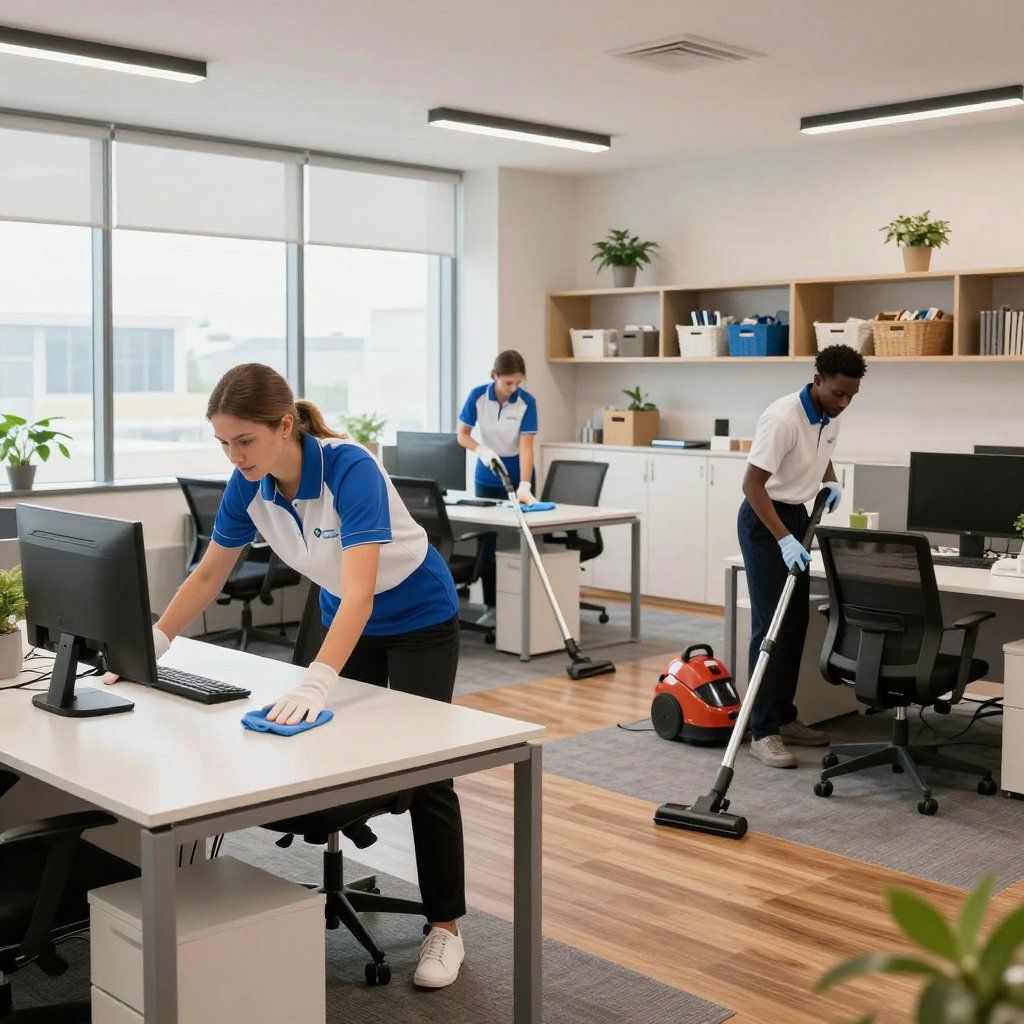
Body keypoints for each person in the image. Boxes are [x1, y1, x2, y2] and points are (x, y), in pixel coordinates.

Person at [106, 363, 468, 989]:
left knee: (426, 767)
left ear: (283, 425)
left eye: (244, 441)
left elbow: (363, 593)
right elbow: (208, 575)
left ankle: (444, 929)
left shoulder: (349, 467)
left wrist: (314, 681)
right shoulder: (248, 484)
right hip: (343, 614)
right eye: (223, 443)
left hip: (415, 616)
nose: (234, 455)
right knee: (322, 744)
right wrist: (153, 646)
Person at [738, 343, 867, 768]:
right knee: (769, 626)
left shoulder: (831, 414)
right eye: (838, 394)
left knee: (794, 622)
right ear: (817, 381)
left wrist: (829, 481)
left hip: (798, 517)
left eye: (851, 396)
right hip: (765, 521)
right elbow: (752, 487)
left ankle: (784, 716)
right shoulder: (782, 418)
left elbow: (823, 453)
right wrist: (782, 540)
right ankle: (761, 731)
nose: (844, 403)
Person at [456, 350, 539, 614]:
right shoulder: (478, 397)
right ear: (494, 376)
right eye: (508, 383)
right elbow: (463, 435)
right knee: (489, 540)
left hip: (517, 475)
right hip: (487, 475)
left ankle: (521, 605)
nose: (513, 388)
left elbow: (526, 446)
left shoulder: (527, 402)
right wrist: (481, 450)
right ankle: (493, 604)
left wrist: (524, 484)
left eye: (518, 382)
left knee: (518, 539)